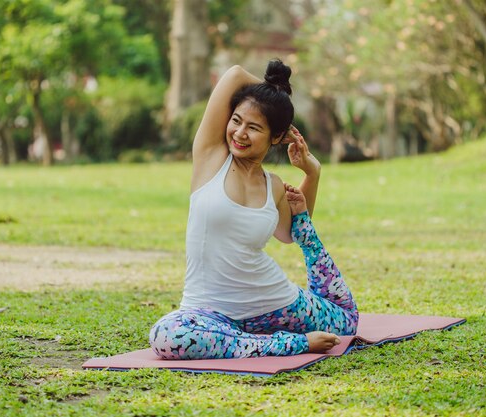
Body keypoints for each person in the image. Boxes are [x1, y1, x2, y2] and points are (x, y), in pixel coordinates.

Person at [149, 60, 358, 359]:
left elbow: (290, 233)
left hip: (276, 305)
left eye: (254, 127)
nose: (239, 133)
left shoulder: (273, 185)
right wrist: (273, 95)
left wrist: (312, 174)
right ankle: (289, 344)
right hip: (210, 313)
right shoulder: (211, 159)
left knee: (346, 323)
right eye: (236, 120)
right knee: (168, 336)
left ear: (276, 136)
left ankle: (242, 340)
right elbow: (234, 74)